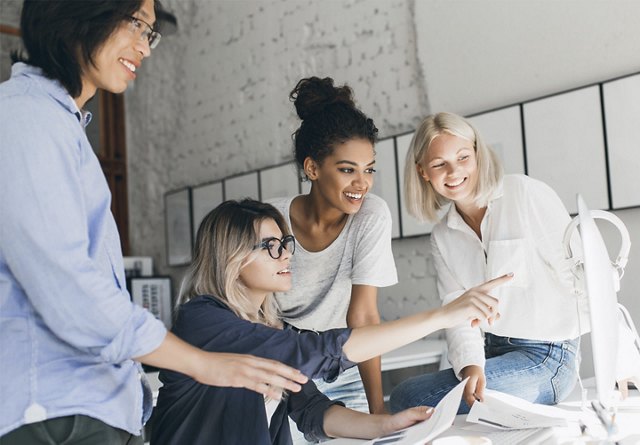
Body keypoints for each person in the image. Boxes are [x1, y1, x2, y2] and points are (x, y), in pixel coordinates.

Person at [0, 1, 307, 443]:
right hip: (56, 415)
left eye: (150, 32)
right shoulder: (28, 118)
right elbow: (71, 292)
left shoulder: (63, 127)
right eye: (137, 25)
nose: (145, 47)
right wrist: (204, 363)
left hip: (89, 410)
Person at [151, 199, 510, 444]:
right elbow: (319, 351)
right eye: (270, 246)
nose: (286, 254)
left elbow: (312, 410)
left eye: (285, 243)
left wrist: (385, 426)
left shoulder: (273, 330)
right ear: (231, 256)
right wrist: (443, 315)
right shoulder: (202, 320)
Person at [389, 111, 586, 415]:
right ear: (423, 172)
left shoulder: (524, 193)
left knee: (413, 400)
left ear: (479, 155)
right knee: (405, 393)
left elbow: (585, 276)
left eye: (463, 157)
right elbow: (456, 311)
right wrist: (470, 366)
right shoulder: (442, 236)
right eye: (439, 164)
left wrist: (621, 360)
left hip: (548, 358)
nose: (453, 172)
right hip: (490, 352)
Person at [269, 77, 393, 440]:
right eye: (347, 169)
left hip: (345, 363)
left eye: (368, 168)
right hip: (284, 368)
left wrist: (378, 412)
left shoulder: (372, 215)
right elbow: (257, 314)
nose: (362, 182)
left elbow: (364, 315)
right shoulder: (270, 222)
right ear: (312, 169)